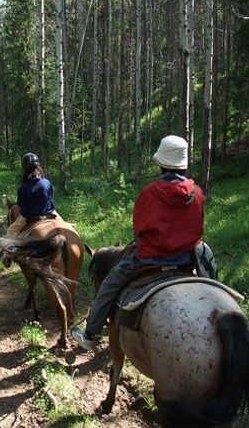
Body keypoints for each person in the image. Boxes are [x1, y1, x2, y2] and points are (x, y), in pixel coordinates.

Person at [71, 135, 206, 350]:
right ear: (183, 165)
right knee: (209, 266)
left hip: (150, 259)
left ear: (161, 164)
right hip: (186, 260)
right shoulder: (197, 193)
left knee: (109, 285)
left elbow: (140, 229)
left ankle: (90, 334)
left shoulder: (149, 193)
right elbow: (197, 228)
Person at [6, 152, 61, 236]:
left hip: (29, 216)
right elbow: (51, 198)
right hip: (51, 213)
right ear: (38, 166)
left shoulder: (23, 188)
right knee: (67, 226)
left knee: (10, 232)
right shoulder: (47, 182)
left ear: (24, 168)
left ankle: (9, 249)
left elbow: (21, 206)